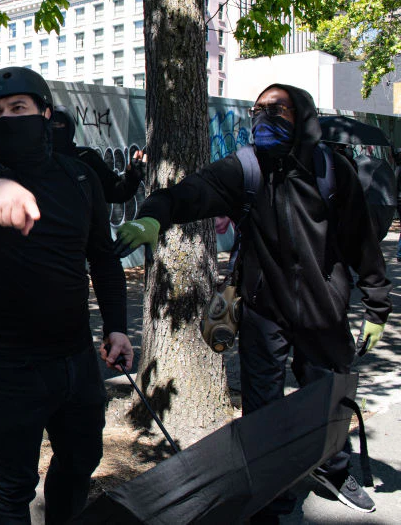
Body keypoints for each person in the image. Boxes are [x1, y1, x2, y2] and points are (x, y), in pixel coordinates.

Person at [114, 84, 391, 520]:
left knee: (328, 398)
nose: (264, 118)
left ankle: (334, 471)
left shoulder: (333, 172)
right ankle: (269, 488)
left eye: (277, 109)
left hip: (325, 311)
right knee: (263, 407)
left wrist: (377, 305)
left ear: (302, 116)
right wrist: (154, 215)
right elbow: (191, 192)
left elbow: (363, 244)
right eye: (258, 110)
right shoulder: (246, 168)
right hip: (264, 312)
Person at [0, 67, 132, 524]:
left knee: (80, 463)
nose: (6, 118)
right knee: (12, 487)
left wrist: (117, 328)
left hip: (76, 359)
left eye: (18, 108)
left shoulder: (80, 179)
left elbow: (104, 259)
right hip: (9, 365)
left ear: (45, 113)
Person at [50, 106, 145, 204]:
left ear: (69, 127)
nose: (55, 129)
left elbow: (114, 191)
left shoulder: (86, 157)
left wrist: (132, 177)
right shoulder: (38, 161)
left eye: (59, 125)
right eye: (51, 125)